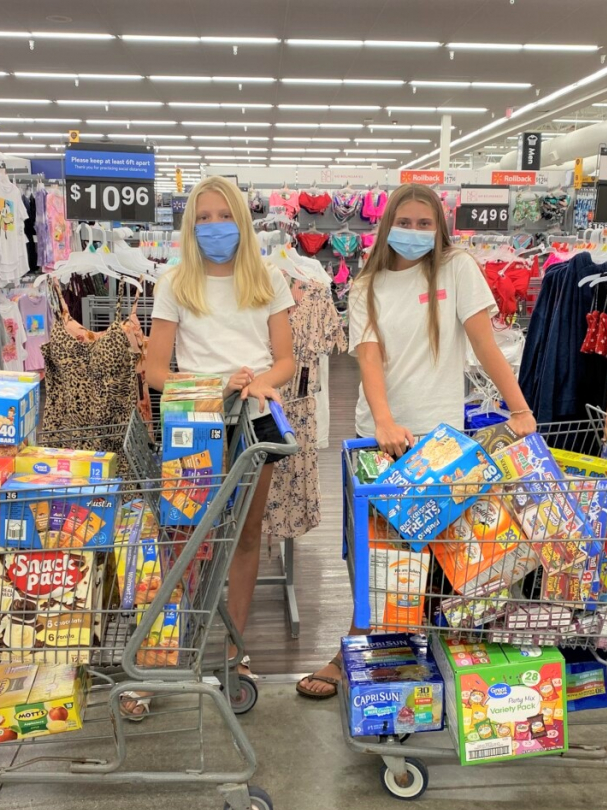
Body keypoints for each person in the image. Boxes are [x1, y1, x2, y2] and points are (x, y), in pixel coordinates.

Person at [296, 182, 537, 699]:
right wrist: (383, 421)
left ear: (440, 229)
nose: (413, 232)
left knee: (440, 561)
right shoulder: (366, 286)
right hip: (378, 442)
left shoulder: (458, 269)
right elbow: (367, 355)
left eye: (424, 224)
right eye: (404, 223)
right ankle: (357, 647)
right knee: (374, 556)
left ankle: (430, 660)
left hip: (443, 444)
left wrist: (519, 407)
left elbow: (484, 344)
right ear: (387, 227)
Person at [134, 176, 295, 716]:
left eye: (221, 216)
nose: (212, 226)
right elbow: (156, 372)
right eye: (201, 217)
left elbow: (286, 359)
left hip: (254, 422)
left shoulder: (269, 279)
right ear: (189, 225)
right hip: (194, 425)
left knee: (245, 537)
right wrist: (212, 386)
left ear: (241, 222)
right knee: (182, 540)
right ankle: (164, 655)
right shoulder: (175, 282)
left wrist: (260, 382)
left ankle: (234, 651)